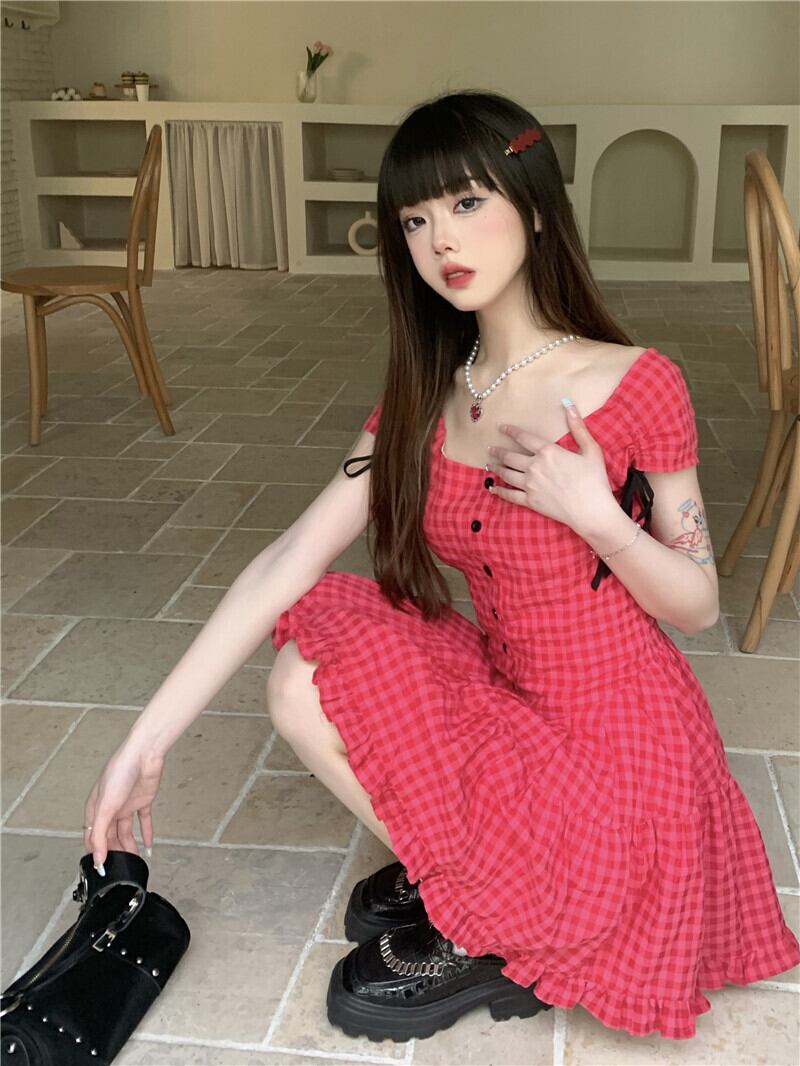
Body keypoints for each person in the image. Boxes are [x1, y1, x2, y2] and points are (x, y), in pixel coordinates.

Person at [83, 90, 800, 1044]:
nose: (440, 241)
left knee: (343, 694)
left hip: (619, 740)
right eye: (414, 220)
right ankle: (484, 877)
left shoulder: (633, 382)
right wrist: (144, 747)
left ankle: (493, 922)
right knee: (302, 677)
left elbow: (700, 603)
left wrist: (602, 522)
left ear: (534, 208)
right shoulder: (431, 394)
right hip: (506, 687)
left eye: (466, 203)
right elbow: (289, 557)